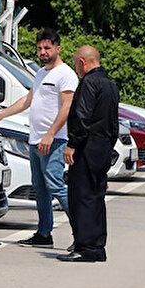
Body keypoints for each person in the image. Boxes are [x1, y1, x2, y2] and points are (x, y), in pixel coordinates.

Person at [0, 29, 78, 248]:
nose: (43, 52)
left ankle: (82, 233)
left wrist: (51, 134)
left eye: (47, 48)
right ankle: (44, 233)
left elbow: (67, 107)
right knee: (40, 188)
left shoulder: (65, 74)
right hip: (36, 140)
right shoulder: (41, 73)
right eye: (40, 48)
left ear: (58, 48)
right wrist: (1, 114)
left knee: (55, 185)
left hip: (53, 141)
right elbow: (28, 100)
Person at [58, 46, 119, 262]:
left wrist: (72, 144)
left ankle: (85, 247)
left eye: (76, 64)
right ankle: (97, 246)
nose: (76, 69)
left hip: (87, 146)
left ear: (83, 62)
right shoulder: (110, 84)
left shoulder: (89, 83)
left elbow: (82, 117)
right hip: (103, 146)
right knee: (96, 197)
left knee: (82, 197)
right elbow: (113, 122)